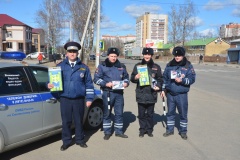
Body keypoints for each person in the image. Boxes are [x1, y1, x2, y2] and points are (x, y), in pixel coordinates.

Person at [47, 41, 94, 150]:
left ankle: (80, 140)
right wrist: (49, 85)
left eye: (74, 51)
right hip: (65, 99)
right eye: (70, 51)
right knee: (66, 122)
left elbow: (89, 84)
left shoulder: (84, 67)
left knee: (78, 121)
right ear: (66, 53)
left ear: (77, 53)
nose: (72, 53)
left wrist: (90, 98)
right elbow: (51, 81)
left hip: (79, 99)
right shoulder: (60, 66)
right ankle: (66, 141)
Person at [93, 47, 130, 140]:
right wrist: (105, 84)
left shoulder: (121, 66)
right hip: (108, 93)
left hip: (119, 94)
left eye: (115, 56)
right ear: (108, 55)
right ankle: (107, 132)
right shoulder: (102, 66)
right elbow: (96, 79)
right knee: (107, 113)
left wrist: (126, 83)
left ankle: (119, 131)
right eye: (111, 56)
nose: (113, 58)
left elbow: (126, 77)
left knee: (119, 113)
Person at [160, 46, 196, 140]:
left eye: (179, 55)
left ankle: (183, 131)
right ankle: (169, 130)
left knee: (183, 114)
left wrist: (182, 80)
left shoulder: (188, 66)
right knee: (170, 113)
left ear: (183, 55)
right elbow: (165, 79)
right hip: (170, 94)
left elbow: (192, 79)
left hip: (182, 95)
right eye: (176, 55)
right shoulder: (169, 65)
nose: (177, 57)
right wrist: (163, 90)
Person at [130, 48, 163, 138]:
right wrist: (135, 77)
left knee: (150, 114)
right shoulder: (138, 66)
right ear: (143, 55)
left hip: (152, 94)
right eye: (145, 54)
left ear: (151, 55)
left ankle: (149, 130)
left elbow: (160, 79)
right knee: (141, 114)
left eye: (149, 55)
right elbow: (132, 78)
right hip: (141, 93)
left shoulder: (156, 67)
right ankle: (142, 130)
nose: (147, 56)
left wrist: (159, 87)